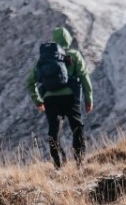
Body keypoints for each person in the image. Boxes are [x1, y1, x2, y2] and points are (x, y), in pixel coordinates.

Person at [25, 26, 94, 169]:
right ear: (68, 39)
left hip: (50, 99)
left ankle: (58, 164)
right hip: (70, 97)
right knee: (77, 128)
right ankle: (79, 163)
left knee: (53, 132)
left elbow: (29, 81)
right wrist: (88, 99)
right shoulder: (74, 55)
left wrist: (38, 100)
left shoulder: (45, 59)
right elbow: (84, 77)